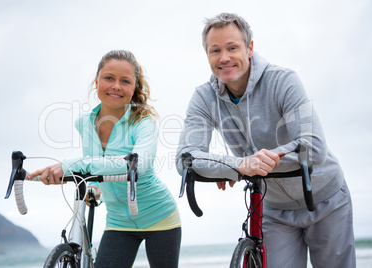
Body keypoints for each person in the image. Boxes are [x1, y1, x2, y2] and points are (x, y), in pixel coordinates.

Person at [176, 13, 355, 267]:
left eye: (232, 47)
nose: (224, 57)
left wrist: (256, 162)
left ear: (249, 48)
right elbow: (186, 158)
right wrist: (237, 166)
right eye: (215, 50)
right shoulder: (204, 98)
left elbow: (313, 148)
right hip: (274, 208)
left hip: (324, 196)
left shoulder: (283, 81)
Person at [29, 50, 181, 268]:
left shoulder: (144, 123)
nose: (116, 86)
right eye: (109, 78)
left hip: (160, 217)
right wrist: (91, 185)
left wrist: (72, 165)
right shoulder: (84, 123)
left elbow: (137, 166)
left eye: (125, 81)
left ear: (134, 88)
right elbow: (93, 161)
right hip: (118, 222)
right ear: (97, 80)